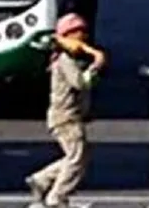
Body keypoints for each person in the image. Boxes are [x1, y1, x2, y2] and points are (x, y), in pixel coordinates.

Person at [26, 13, 106, 208]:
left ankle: (42, 179)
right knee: (77, 158)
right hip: (66, 116)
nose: (84, 36)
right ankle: (57, 197)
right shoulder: (64, 59)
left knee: (77, 156)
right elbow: (79, 83)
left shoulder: (68, 58)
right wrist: (96, 66)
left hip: (68, 115)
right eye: (79, 32)